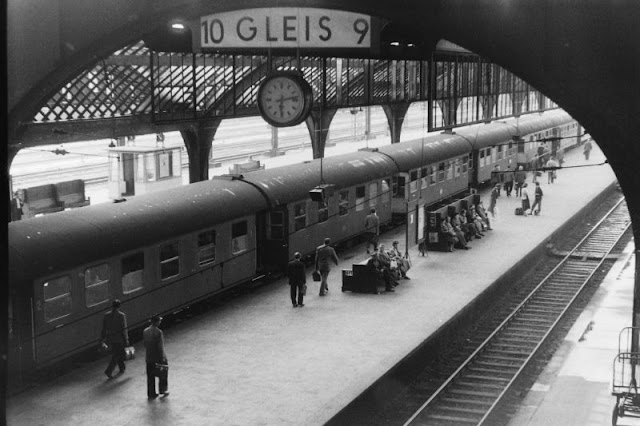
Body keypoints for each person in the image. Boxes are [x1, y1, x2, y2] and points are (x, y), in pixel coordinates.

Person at [101, 299, 129, 379]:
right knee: (117, 354)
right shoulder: (121, 315)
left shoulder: (106, 315)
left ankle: (122, 368)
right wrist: (126, 339)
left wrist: (103, 338)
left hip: (111, 338)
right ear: (119, 306)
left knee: (117, 352)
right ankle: (109, 371)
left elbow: (104, 328)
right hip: (119, 338)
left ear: (112, 306)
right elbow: (124, 328)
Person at [143, 314, 168, 399]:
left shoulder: (145, 331)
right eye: (159, 320)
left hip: (149, 357)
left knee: (150, 376)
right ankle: (162, 390)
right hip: (157, 357)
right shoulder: (158, 332)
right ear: (156, 322)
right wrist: (162, 358)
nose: (160, 322)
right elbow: (160, 347)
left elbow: (145, 344)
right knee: (163, 373)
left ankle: (151, 393)